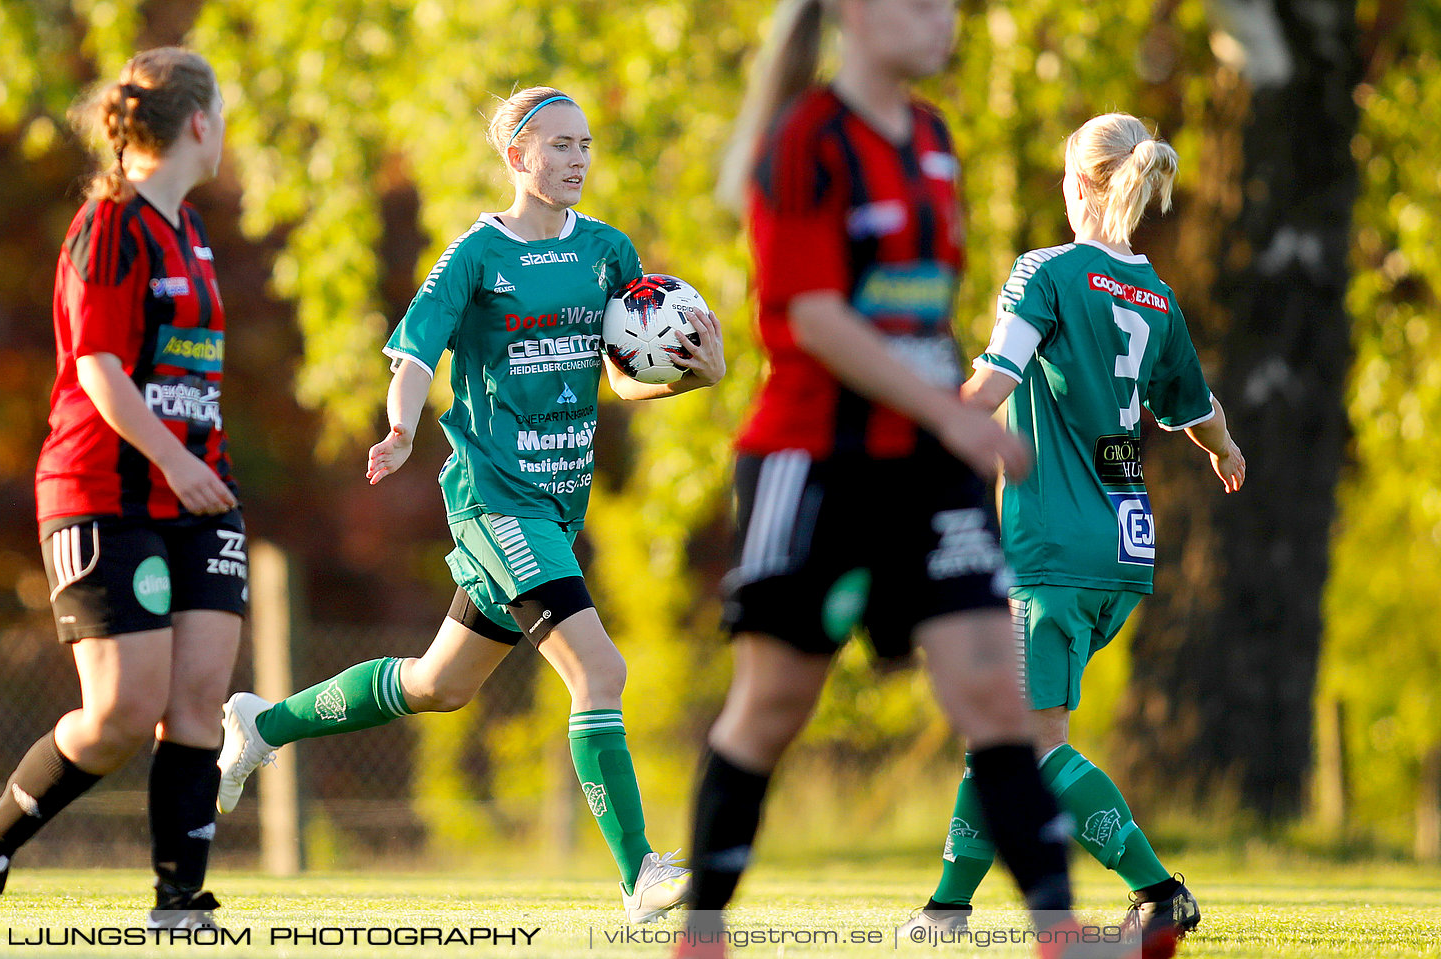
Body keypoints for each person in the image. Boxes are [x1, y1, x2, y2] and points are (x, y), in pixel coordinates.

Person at [675, 2, 1175, 958]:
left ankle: (1060, 934)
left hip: (928, 473)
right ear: (858, 14)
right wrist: (950, 411)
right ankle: (700, 935)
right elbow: (813, 317)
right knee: (772, 706)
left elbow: (925, 319)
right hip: (811, 460)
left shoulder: (937, 143)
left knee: (1001, 704)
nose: (945, 17)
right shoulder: (807, 139)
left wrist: (947, 419)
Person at [212, 86, 726, 925]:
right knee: (600, 670)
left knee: (437, 685)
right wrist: (402, 424)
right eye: (559, 145)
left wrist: (695, 371)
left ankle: (262, 723)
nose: (577, 159)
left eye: (586, 144)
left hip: (558, 504)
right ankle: (641, 876)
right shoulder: (475, 257)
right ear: (517, 156)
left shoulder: (607, 251)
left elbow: (626, 368)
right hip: (496, 502)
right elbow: (414, 351)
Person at [899, 113, 1242, 945]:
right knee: (1004, 723)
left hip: (1049, 545)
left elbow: (990, 386)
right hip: (1122, 547)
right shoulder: (1155, 293)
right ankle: (946, 909)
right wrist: (1227, 452)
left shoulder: (1044, 273)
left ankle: (1158, 890)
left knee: (1033, 741)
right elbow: (1196, 411)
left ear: (1078, 184)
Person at [0, 47, 242, 930]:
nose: (224, 130)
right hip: (103, 494)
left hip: (199, 497)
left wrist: (200, 469)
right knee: (119, 715)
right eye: (220, 113)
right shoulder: (109, 224)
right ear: (197, 122)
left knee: (197, 704)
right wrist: (176, 462)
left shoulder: (189, 229)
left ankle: (179, 905)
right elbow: (101, 371)